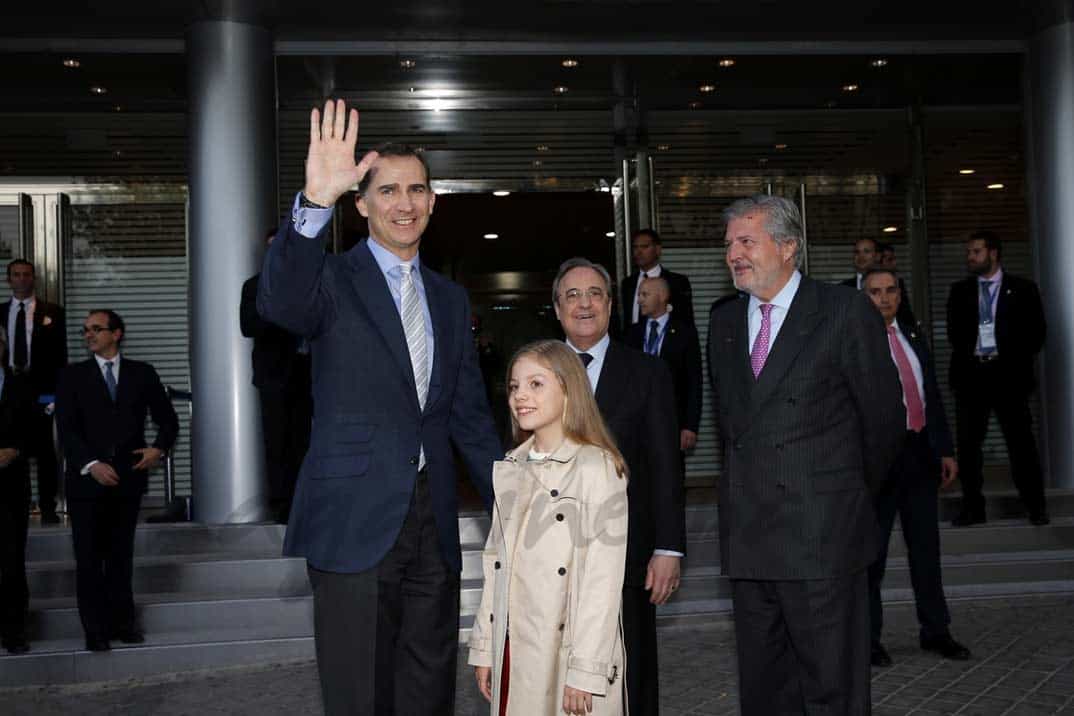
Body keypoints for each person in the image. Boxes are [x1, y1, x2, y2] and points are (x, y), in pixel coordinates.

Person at [257, 99, 503, 715]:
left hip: (433, 520)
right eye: (387, 189)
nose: (405, 202)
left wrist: (511, 494)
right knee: (359, 691)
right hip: (353, 517)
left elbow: (468, 413)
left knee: (427, 687)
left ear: (433, 201)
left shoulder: (449, 299)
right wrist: (314, 204)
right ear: (361, 203)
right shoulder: (331, 281)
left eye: (417, 189)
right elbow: (280, 303)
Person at [708, 195, 904, 715]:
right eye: (729, 244)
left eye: (747, 241)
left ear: (789, 245)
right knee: (766, 691)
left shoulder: (843, 311)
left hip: (823, 539)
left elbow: (883, 423)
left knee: (830, 689)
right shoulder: (723, 321)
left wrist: (839, 499)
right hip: (750, 541)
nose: (734, 254)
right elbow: (732, 428)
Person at [554, 256, 684, 716]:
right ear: (557, 309)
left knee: (631, 676)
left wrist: (669, 548)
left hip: (626, 555)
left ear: (610, 305)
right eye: (572, 295)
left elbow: (666, 466)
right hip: (553, 556)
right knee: (556, 675)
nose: (584, 304)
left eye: (594, 294)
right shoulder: (537, 375)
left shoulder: (647, 374)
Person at [469, 339, 627, 716]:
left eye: (536, 384)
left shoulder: (597, 468)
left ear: (569, 389)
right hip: (515, 648)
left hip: (568, 652)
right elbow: (495, 566)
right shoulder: (511, 467)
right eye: (514, 385)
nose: (520, 395)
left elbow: (601, 581)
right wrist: (485, 645)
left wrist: (585, 670)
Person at [862, 268, 971, 667]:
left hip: (920, 458)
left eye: (891, 290)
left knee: (927, 551)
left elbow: (931, 396)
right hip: (878, 465)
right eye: (875, 292)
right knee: (871, 557)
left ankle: (936, 631)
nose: (884, 298)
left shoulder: (912, 335)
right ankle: (868, 640)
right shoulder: (857, 343)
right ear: (864, 297)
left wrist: (944, 449)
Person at [55, 310, 179, 652]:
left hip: (128, 479)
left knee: (121, 555)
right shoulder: (72, 376)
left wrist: (158, 449)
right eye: (85, 331)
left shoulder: (143, 373)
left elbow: (168, 420)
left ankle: (123, 624)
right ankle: (95, 631)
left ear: (117, 333)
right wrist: (91, 464)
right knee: (89, 557)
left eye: (97, 329)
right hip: (86, 481)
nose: (89, 335)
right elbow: (66, 429)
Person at [946, 230, 1047, 526]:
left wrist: (1008, 356)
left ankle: (1036, 506)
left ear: (993, 253)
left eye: (976, 251)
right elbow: (955, 333)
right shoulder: (960, 291)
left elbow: (1036, 332)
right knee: (968, 446)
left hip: (1009, 378)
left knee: (1021, 444)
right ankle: (972, 508)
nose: (970, 257)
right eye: (968, 252)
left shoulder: (1023, 288)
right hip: (972, 377)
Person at [240, 228, 312, 523]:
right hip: (275, 377)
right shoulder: (255, 286)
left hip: (311, 375)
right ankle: (283, 507)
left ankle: (310, 503)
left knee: (307, 442)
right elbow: (248, 327)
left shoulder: (311, 282)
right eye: (271, 247)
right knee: (278, 444)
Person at [5, 259, 66, 524]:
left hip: (40, 388)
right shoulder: (0, 312)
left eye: (26, 274)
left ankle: (48, 507)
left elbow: (60, 358)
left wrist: (56, 394)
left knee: (44, 450)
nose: (21, 279)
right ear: (9, 279)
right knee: (9, 447)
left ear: (34, 278)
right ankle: (15, 505)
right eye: (16, 275)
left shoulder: (53, 312)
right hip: (7, 388)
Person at [625, 276, 703, 459]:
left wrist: (690, 426)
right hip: (637, 423)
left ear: (661, 296)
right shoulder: (631, 333)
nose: (639, 300)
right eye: (639, 294)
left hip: (673, 422)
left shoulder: (684, 332)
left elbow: (694, 381)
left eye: (645, 294)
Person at [0, 329, 33, 654]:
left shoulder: (20, 383)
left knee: (11, 560)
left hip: (11, 485)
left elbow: (36, 431)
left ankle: (14, 632)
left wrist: (15, 450)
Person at [619, 229, 694, 332]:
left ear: (658, 250)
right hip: (633, 344)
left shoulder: (677, 282)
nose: (639, 252)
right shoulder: (628, 283)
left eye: (645, 247)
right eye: (635, 247)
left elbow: (687, 322)